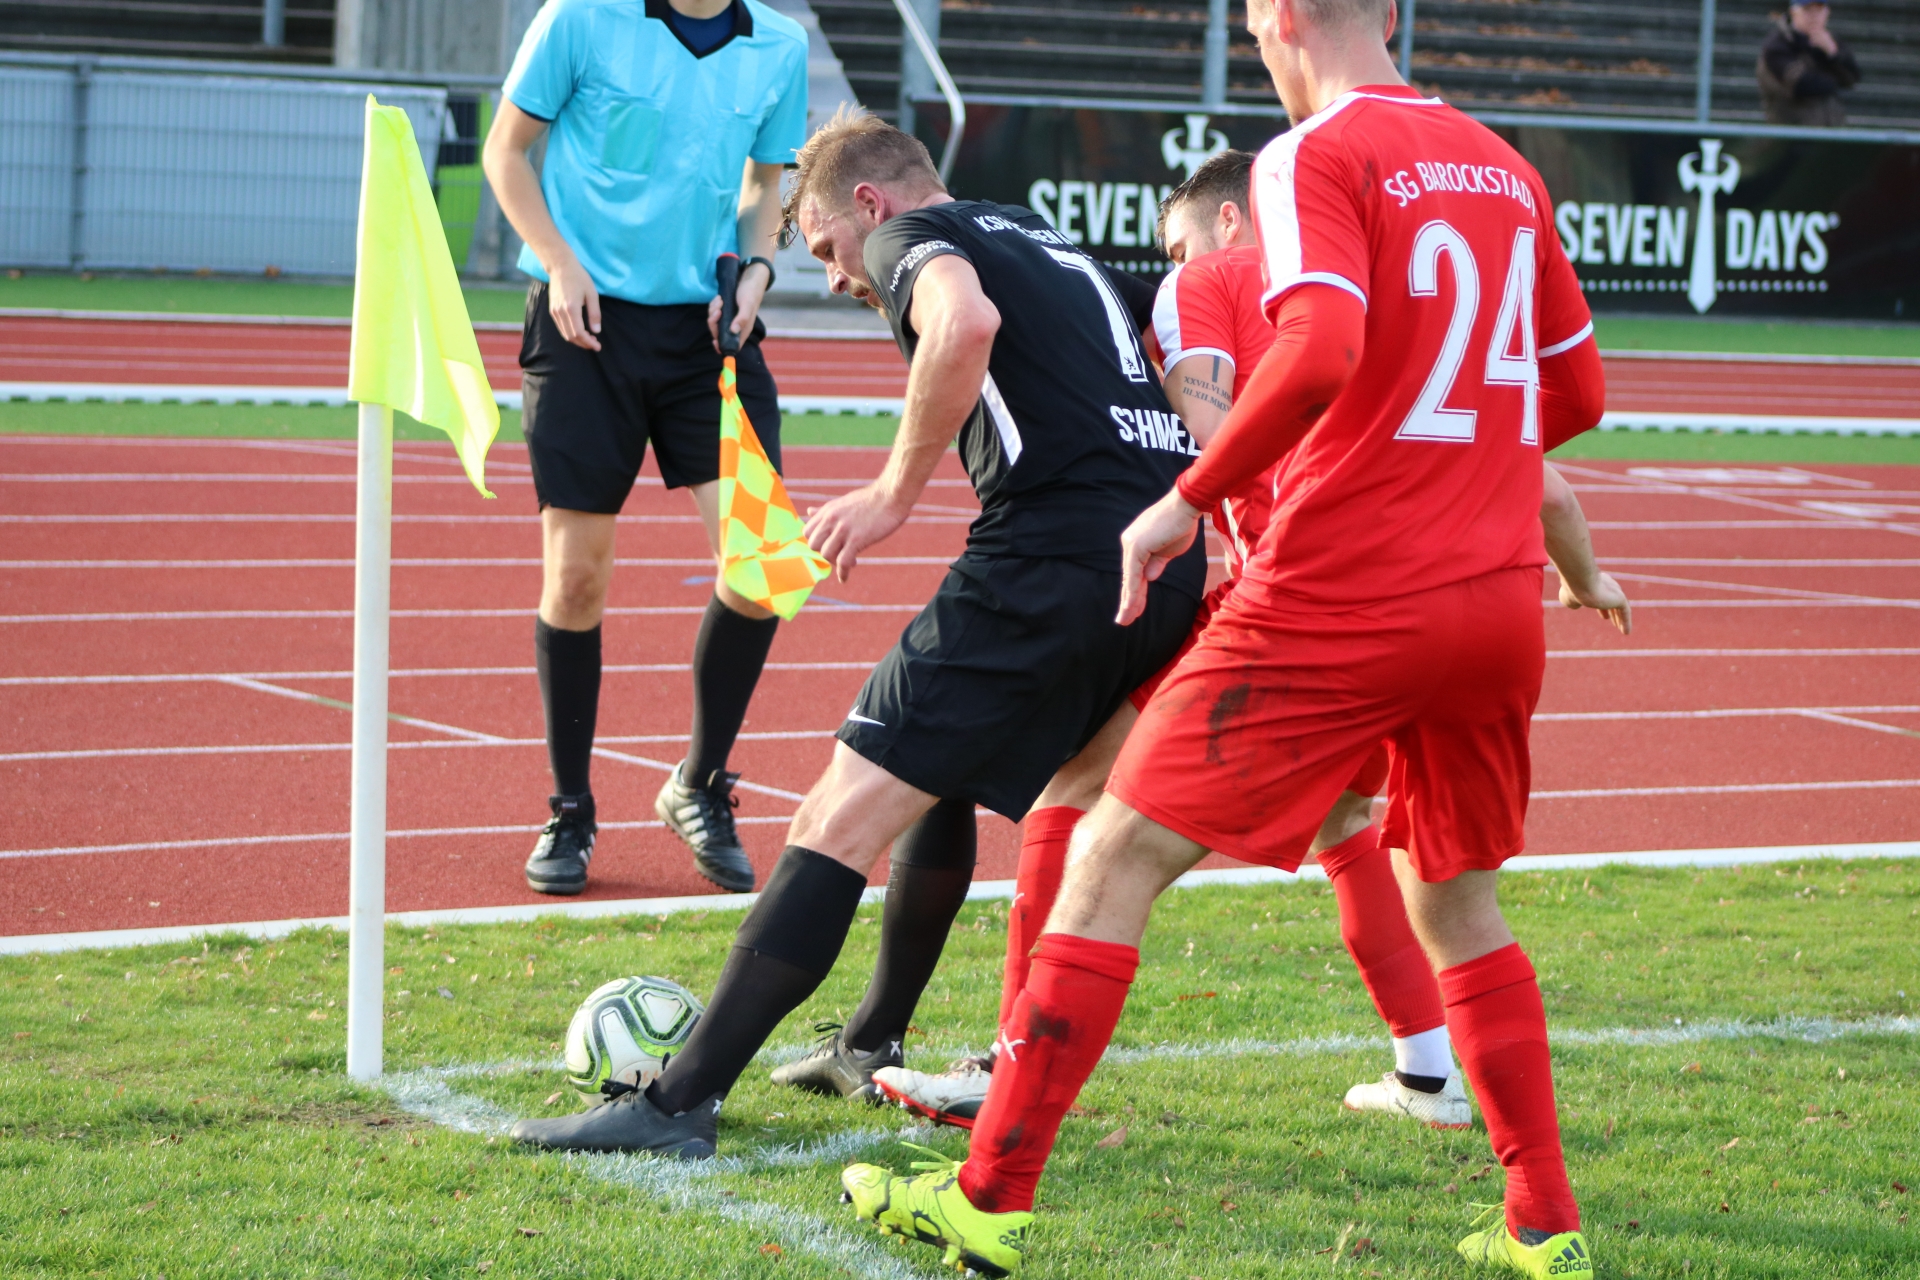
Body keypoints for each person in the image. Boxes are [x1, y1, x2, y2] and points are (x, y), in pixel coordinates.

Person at [840, 0, 1610, 1275]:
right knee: (1459, 904)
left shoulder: (1310, 155)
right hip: (1493, 597)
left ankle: (987, 1193)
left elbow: (1322, 346)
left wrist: (1185, 499)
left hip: (1345, 589)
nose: (1257, 43)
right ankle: (1542, 1221)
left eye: (1253, 23)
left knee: (1108, 852)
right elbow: (1574, 391)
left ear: (1286, 15)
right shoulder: (1508, 167)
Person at [505, 110, 1206, 1158]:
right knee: (941, 774)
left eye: (828, 248)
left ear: (870, 204)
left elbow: (963, 325)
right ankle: (870, 1038)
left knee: (837, 811)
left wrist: (889, 494)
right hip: (1160, 561)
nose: (837, 276)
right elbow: (1191, 312)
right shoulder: (1039, 234)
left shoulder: (909, 235)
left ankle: (675, 1103)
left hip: (1051, 557)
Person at [480, 0, 809, 897]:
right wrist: (559, 261)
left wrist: (758, 270)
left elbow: (766, 186)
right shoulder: (580, 17)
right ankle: (570, 809)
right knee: (576, 578)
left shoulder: (779, 44)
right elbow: (505, 151)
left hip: (707, 333)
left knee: (765, 562)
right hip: (583, 326)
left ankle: (698, 783)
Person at [1758, 0, 1860, 127]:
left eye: (1819, 11)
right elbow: (1801, 84)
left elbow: (1852, 77)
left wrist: (1833, 53)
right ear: (1793, 12)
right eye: (1807, 10)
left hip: (1831, 129)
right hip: (1791, 131)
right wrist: (1834, 81)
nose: (1814, 17)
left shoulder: (1829, 41)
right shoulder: (1778, 44)